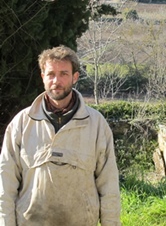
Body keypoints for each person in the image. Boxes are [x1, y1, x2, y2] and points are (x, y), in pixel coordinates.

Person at [0, 45, 121, 226]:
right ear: (43, 78)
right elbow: (5, 184)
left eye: (64, 74)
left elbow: (109, 185)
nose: (57, 80)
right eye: (51, 74)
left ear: (75, 77)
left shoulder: (96, 125)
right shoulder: (22, 124)